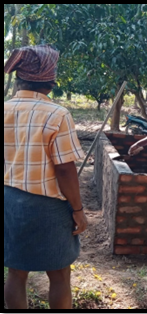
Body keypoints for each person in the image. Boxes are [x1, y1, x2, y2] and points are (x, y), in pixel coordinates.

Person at [4, 44, 88, 309]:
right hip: (47, 207)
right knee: (60, 272)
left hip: (8, 200)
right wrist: (78, 209)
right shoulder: (57, 114)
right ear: (50, 82)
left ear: (19, 79)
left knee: (16, 272)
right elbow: (64, 169)